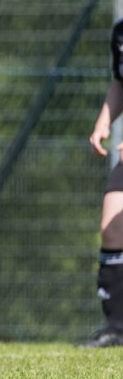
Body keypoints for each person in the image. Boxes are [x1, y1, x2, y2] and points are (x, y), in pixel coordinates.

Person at [83, 18, 123, 347]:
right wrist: (103, 122)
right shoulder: (121, 32)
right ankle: (116, 328)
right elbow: (120, 83)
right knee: (112, 225)